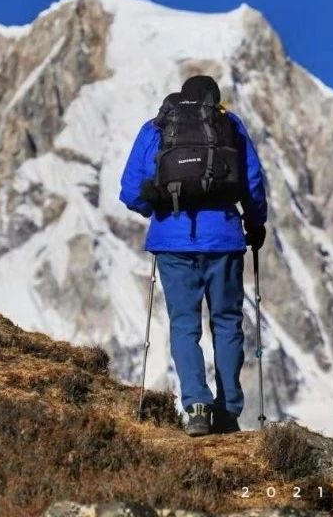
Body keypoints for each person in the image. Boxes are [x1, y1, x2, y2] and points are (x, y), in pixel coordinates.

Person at [118, 74, 269, 436]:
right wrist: (255, 224)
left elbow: (130, 190)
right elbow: (251, 182)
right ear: (213, 101)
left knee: (184, 325)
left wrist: (159, 209)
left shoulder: (156, 127)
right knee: (227, 323)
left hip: (172, 243)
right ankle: (228, 411)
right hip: (225, 240)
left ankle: (196, 407)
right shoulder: (228, 124)